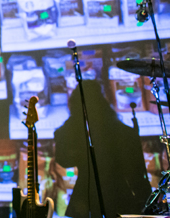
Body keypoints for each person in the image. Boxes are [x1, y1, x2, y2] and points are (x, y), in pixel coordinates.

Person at [53, 80, 151, 218]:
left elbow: (64, 160)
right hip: (121, 196)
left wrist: (73, 121)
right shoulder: (124, 132)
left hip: (86, 198)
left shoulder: (73, 133)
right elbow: (137, 173)